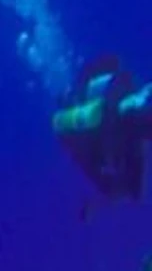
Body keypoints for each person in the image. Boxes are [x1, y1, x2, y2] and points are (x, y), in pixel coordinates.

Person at [56, 56, 151, 208]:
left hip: (116, 129)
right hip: (121, 115)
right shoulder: (114, 86)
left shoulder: (74, 136)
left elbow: (101, 177)